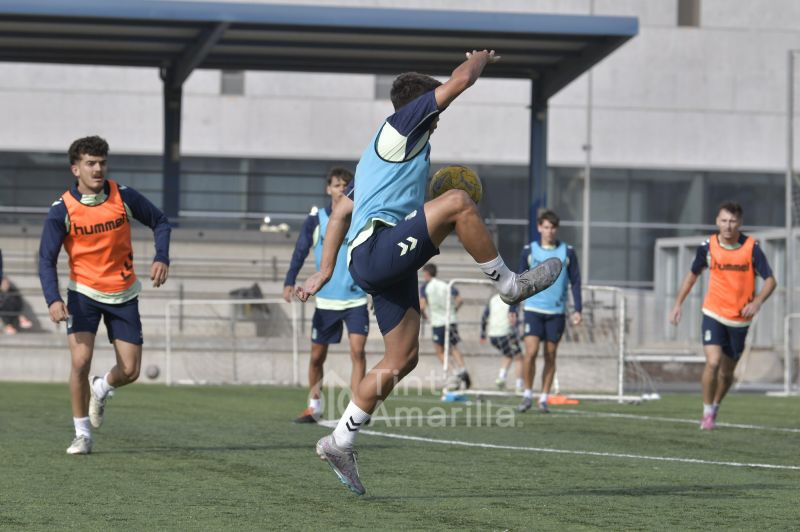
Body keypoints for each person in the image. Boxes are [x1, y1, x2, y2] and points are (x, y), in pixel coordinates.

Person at [296, 50, 562, 495]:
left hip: (377, 259)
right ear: (420, 107)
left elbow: (341, 212)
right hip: (377, 251)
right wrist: (478, 61)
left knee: (403, 359)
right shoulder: (403, 124)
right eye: (432, 107)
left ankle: (341, 440)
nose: (437, 116)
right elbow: (460, 81)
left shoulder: (381, 155)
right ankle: (510, 285)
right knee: (458, 201)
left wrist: (324, 271)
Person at [38, 136, 171, 455]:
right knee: (80, 361)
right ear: (76, 169)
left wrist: (162, 256)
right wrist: (53, 299)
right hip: (83, 294)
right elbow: (45, 258)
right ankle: (82, 434)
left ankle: (102, 387)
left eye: (102, 163)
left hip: (123, 293)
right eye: (90, 163)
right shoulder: (62, 210)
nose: (98, 169)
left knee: (130, 371)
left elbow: (161, 222)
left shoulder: (123, 196)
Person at [669, 202, 776, 430]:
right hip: (713, 313)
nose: (728, 226)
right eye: (724, 221)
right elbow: (691, 276)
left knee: (727, 374)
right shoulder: (708, 247)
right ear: (717, 221)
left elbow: (771, 281)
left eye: (733, 221)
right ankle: (706, 412)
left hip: (739, 320)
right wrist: (678, 304)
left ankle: (716, 406)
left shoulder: (751, 248)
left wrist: (757, 302)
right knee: (713, 362)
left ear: (740, 223)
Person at [283, 168, 369, 423]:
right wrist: (289, 281)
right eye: (336, 185)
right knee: (317, 356)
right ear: (328, 189)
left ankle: (357, 409)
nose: (341, 189)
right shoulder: (316, 220)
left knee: (358, 352)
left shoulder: (360, 218)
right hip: (326, 300)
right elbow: (300, 251)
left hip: (356, 298)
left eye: (345, 185)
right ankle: (314, 405)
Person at [517, 210, 582, 413]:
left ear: (557, 229)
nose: (549, 231)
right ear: (539, 228)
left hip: (556, 311)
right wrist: (513, 307)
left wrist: (577, 309)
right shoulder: (530, 250)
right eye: (546, 227)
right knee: (531, 352)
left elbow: (576, 282)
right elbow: (519, 280)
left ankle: (543, 397)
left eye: (553, 227)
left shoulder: (568, 252)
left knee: (550, 354)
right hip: (533, 309)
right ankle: (527, 393)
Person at [419, 263, 471, 389]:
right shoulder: (446, 285)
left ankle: (455, 373)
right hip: (451, 320)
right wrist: (453, 311)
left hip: (438, 322)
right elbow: (460, 300)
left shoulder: (425, 287)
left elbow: (422, 306)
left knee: (440, 351)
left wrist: (425, 316)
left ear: (426, 274)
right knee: (453, 347)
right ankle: (463, 369)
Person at [480, 292, 524, 392]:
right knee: (519, 358)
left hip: (493, 335)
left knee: (508, 354)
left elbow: (484, 317)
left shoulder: (493, 298)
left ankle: (501, 378)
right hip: (506, 334)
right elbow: (512, 317)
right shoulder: (514, 297)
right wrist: (517, 332)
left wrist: (482, 334)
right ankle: (519, 386)